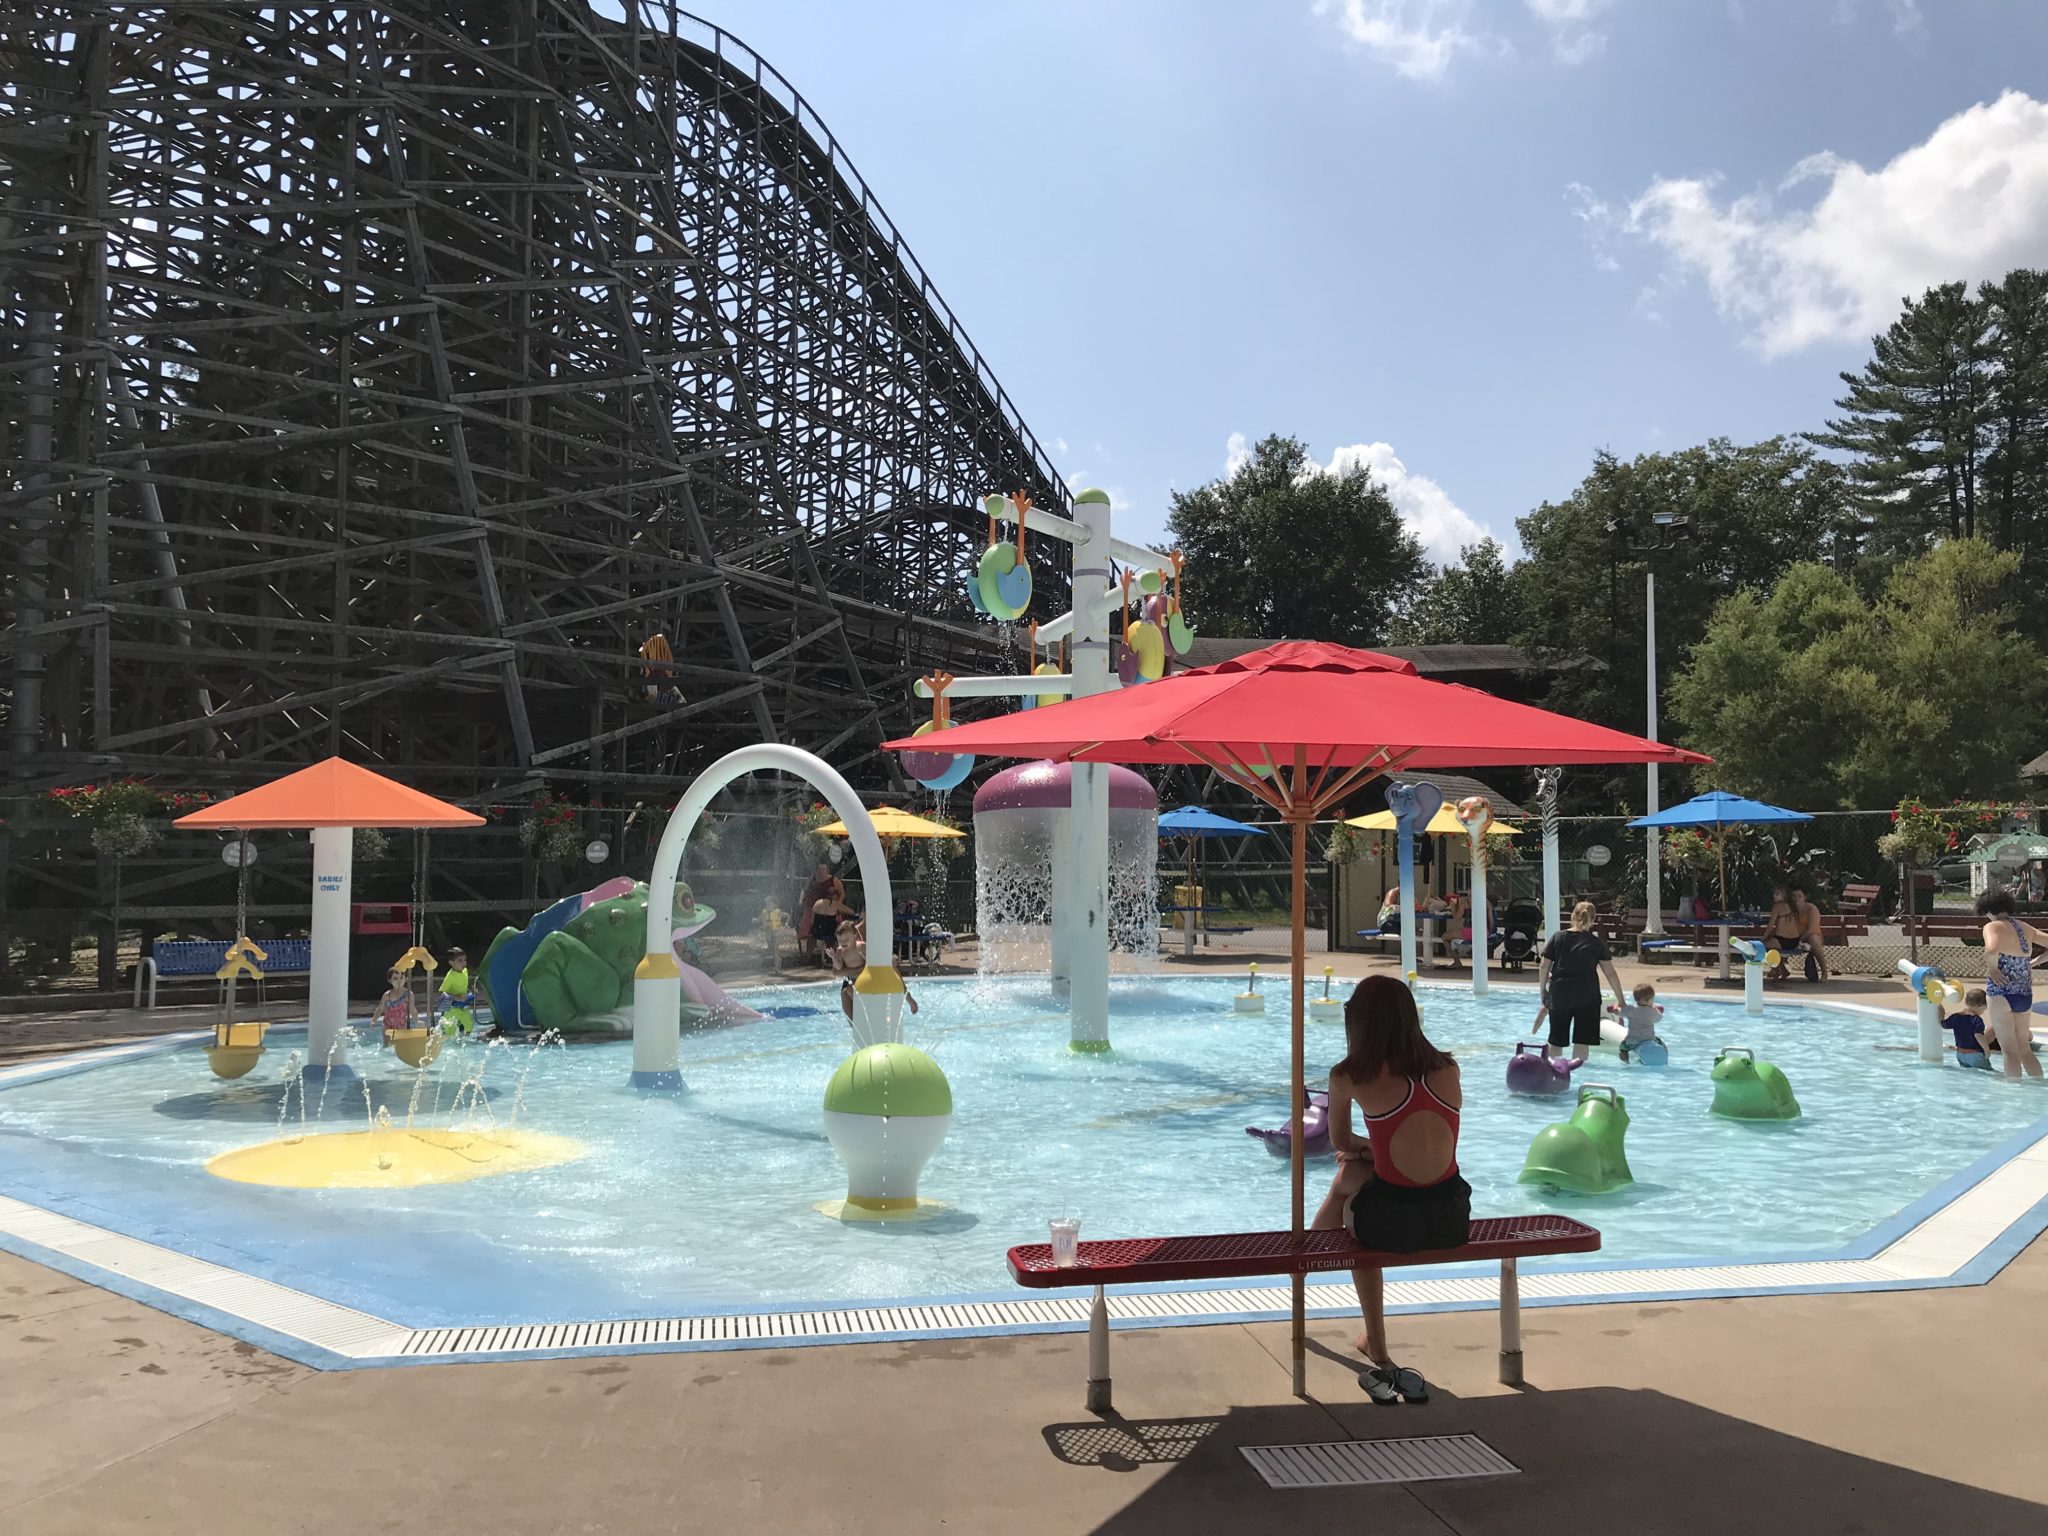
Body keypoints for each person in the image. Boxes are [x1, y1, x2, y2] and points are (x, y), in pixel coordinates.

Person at [1310, 975, 1466, 1405]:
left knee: (1350, 1185)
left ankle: (1310, 1270)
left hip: (1397, 1225)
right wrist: (1368, 1156)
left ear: (1359, 1023)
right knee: (1352, 1179)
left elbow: (1338, 1142)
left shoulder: (1349, 1076)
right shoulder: (1447, 1068)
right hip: (1452, 1217)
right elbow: (1424, 1150)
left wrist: (1360, 1153)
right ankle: (1305, 1262)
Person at [1537, 901, 1626, 1064]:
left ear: (1573, 916)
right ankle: (1579, 1076)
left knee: (1556, 1042)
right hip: (1588, 996)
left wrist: (1543, 990)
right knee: (1581, 1042)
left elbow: (1544, 967)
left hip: (1560, 994)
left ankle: (1552, 1074)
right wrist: (1621, 1000)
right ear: (1593, 919)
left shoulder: (1558, 937)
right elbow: (1610, 974)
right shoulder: (1596, 943)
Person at [1977, 887, 2046, 1081]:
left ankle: (2013, 1095)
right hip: (2024, 994)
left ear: (1988, 910)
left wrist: (1993, 970)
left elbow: (1991, 949)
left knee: (2009, 1050)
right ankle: (2039, 1087)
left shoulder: (1993, 926)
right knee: (2024, 1049)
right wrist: (2032, 963)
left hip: (2001, 993)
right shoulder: (2025, 927)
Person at [1762, 885, 1830, 982]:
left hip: (1809, 935)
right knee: (1775, 944)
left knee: (1813, 939)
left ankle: (1824, 972)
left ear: (1804, 897)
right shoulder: (1790, 908)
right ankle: (1780, 969)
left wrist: (1800, 940)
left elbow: (1811, 928)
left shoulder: (1811, 908)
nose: (1796, 898)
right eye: (1794, 896)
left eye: (1799, 896)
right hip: (1794, 937)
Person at [1614, 982, 1665, 1064]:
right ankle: (1665, 1058)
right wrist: (1656, 1008)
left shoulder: (1630, 1009)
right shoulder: (1652, 1011)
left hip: (1633, 1041)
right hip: (1649, 1039)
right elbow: (1659, 1018)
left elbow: (1618, 1012)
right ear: (1649, 1000)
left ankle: (1626, 1062)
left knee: (1622, 1049)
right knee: (1661, 1043)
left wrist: (1616, 1005)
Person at [1943, 987, 1993, 1070]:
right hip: (1975, 1055)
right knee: (1988, 1072)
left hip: (1960, 1054)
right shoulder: (1976, 1019)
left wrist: (1941, 1014)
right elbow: (1978, 1035)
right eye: (1984, 1008)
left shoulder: (1956, 1017)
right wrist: (1986, 1049)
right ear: (1978, 1005)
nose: (1983, 1011)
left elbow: (1944, 1025)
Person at [839, 976, 920, 1025]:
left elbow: (897, 979)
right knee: (846, 991)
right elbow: (835, 971)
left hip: (867, 984)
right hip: (853, 983)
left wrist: (910, 1000)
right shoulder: (847, 951)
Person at [795, 862, 834, 961]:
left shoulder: (831, 880)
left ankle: (831, 958)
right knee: (810, 935)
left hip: (825, 909)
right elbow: (804, 890)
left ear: (827, 870)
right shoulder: (812, 879)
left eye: (824, 869)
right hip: (811, 908)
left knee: (829, 934)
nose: (821, 871)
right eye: (819, 869)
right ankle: (808, 958)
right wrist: (801, 900)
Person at [809, 877, 850, 967]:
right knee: (839, 933)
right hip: (829, 933)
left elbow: (812, 920)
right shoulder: (835, 905)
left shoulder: (817, 903)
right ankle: (837, 958)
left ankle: (809, 957)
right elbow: (844, 916)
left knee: (827, 931)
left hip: (816, 931)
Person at [439, 946, 476, 1034]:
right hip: (452, 1009)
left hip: (463, 1006)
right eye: (460, 960)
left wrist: (471, 990)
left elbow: (463, 985)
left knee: (469, 1027)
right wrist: (456, 997)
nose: (464, 963)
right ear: (451, 963)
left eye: (465, 960)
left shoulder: (465, 972)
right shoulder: (450, 977)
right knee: (450, 1032)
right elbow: (442, 993)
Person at [377, 969, 413, 1043]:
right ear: (390, 980)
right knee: (386, 1044)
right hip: (387, 1024)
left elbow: (412, 1009)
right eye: (395, 978)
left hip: (402, 1024)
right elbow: (380, 1008)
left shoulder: (408, 995)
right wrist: (374, 1020)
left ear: (406, 979)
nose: (398, 981)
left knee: (401, 1044)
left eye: (401, 978)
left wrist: (417, 1020)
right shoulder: (387, 995)